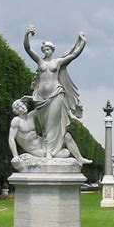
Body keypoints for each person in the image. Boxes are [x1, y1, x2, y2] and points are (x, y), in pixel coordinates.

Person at [22, 24, 92, 166]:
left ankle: (49, 152)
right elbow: (28, 49)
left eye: (48, 49)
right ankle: (49, 150)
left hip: (56, 94)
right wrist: (27, 34)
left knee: (52, 125)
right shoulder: (40, 61)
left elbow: (73, 55)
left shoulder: (58, 62)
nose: (46, 51)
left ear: (52, 50)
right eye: (44, 49)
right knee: (44, 126)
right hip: (41, 99)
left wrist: (82, 42)